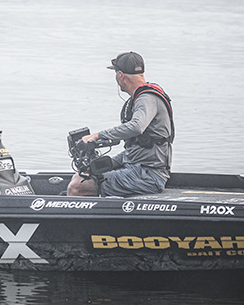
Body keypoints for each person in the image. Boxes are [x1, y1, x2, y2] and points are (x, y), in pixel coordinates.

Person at [67, 52, 174, 197]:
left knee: (78, 187)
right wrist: (106, 163)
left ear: (120, 75)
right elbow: (137, 149)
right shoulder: (142, 97)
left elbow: (137, 126)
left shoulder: (146, 98)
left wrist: (98, 136)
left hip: (149, 176)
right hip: (138, 168)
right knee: (83, 175)